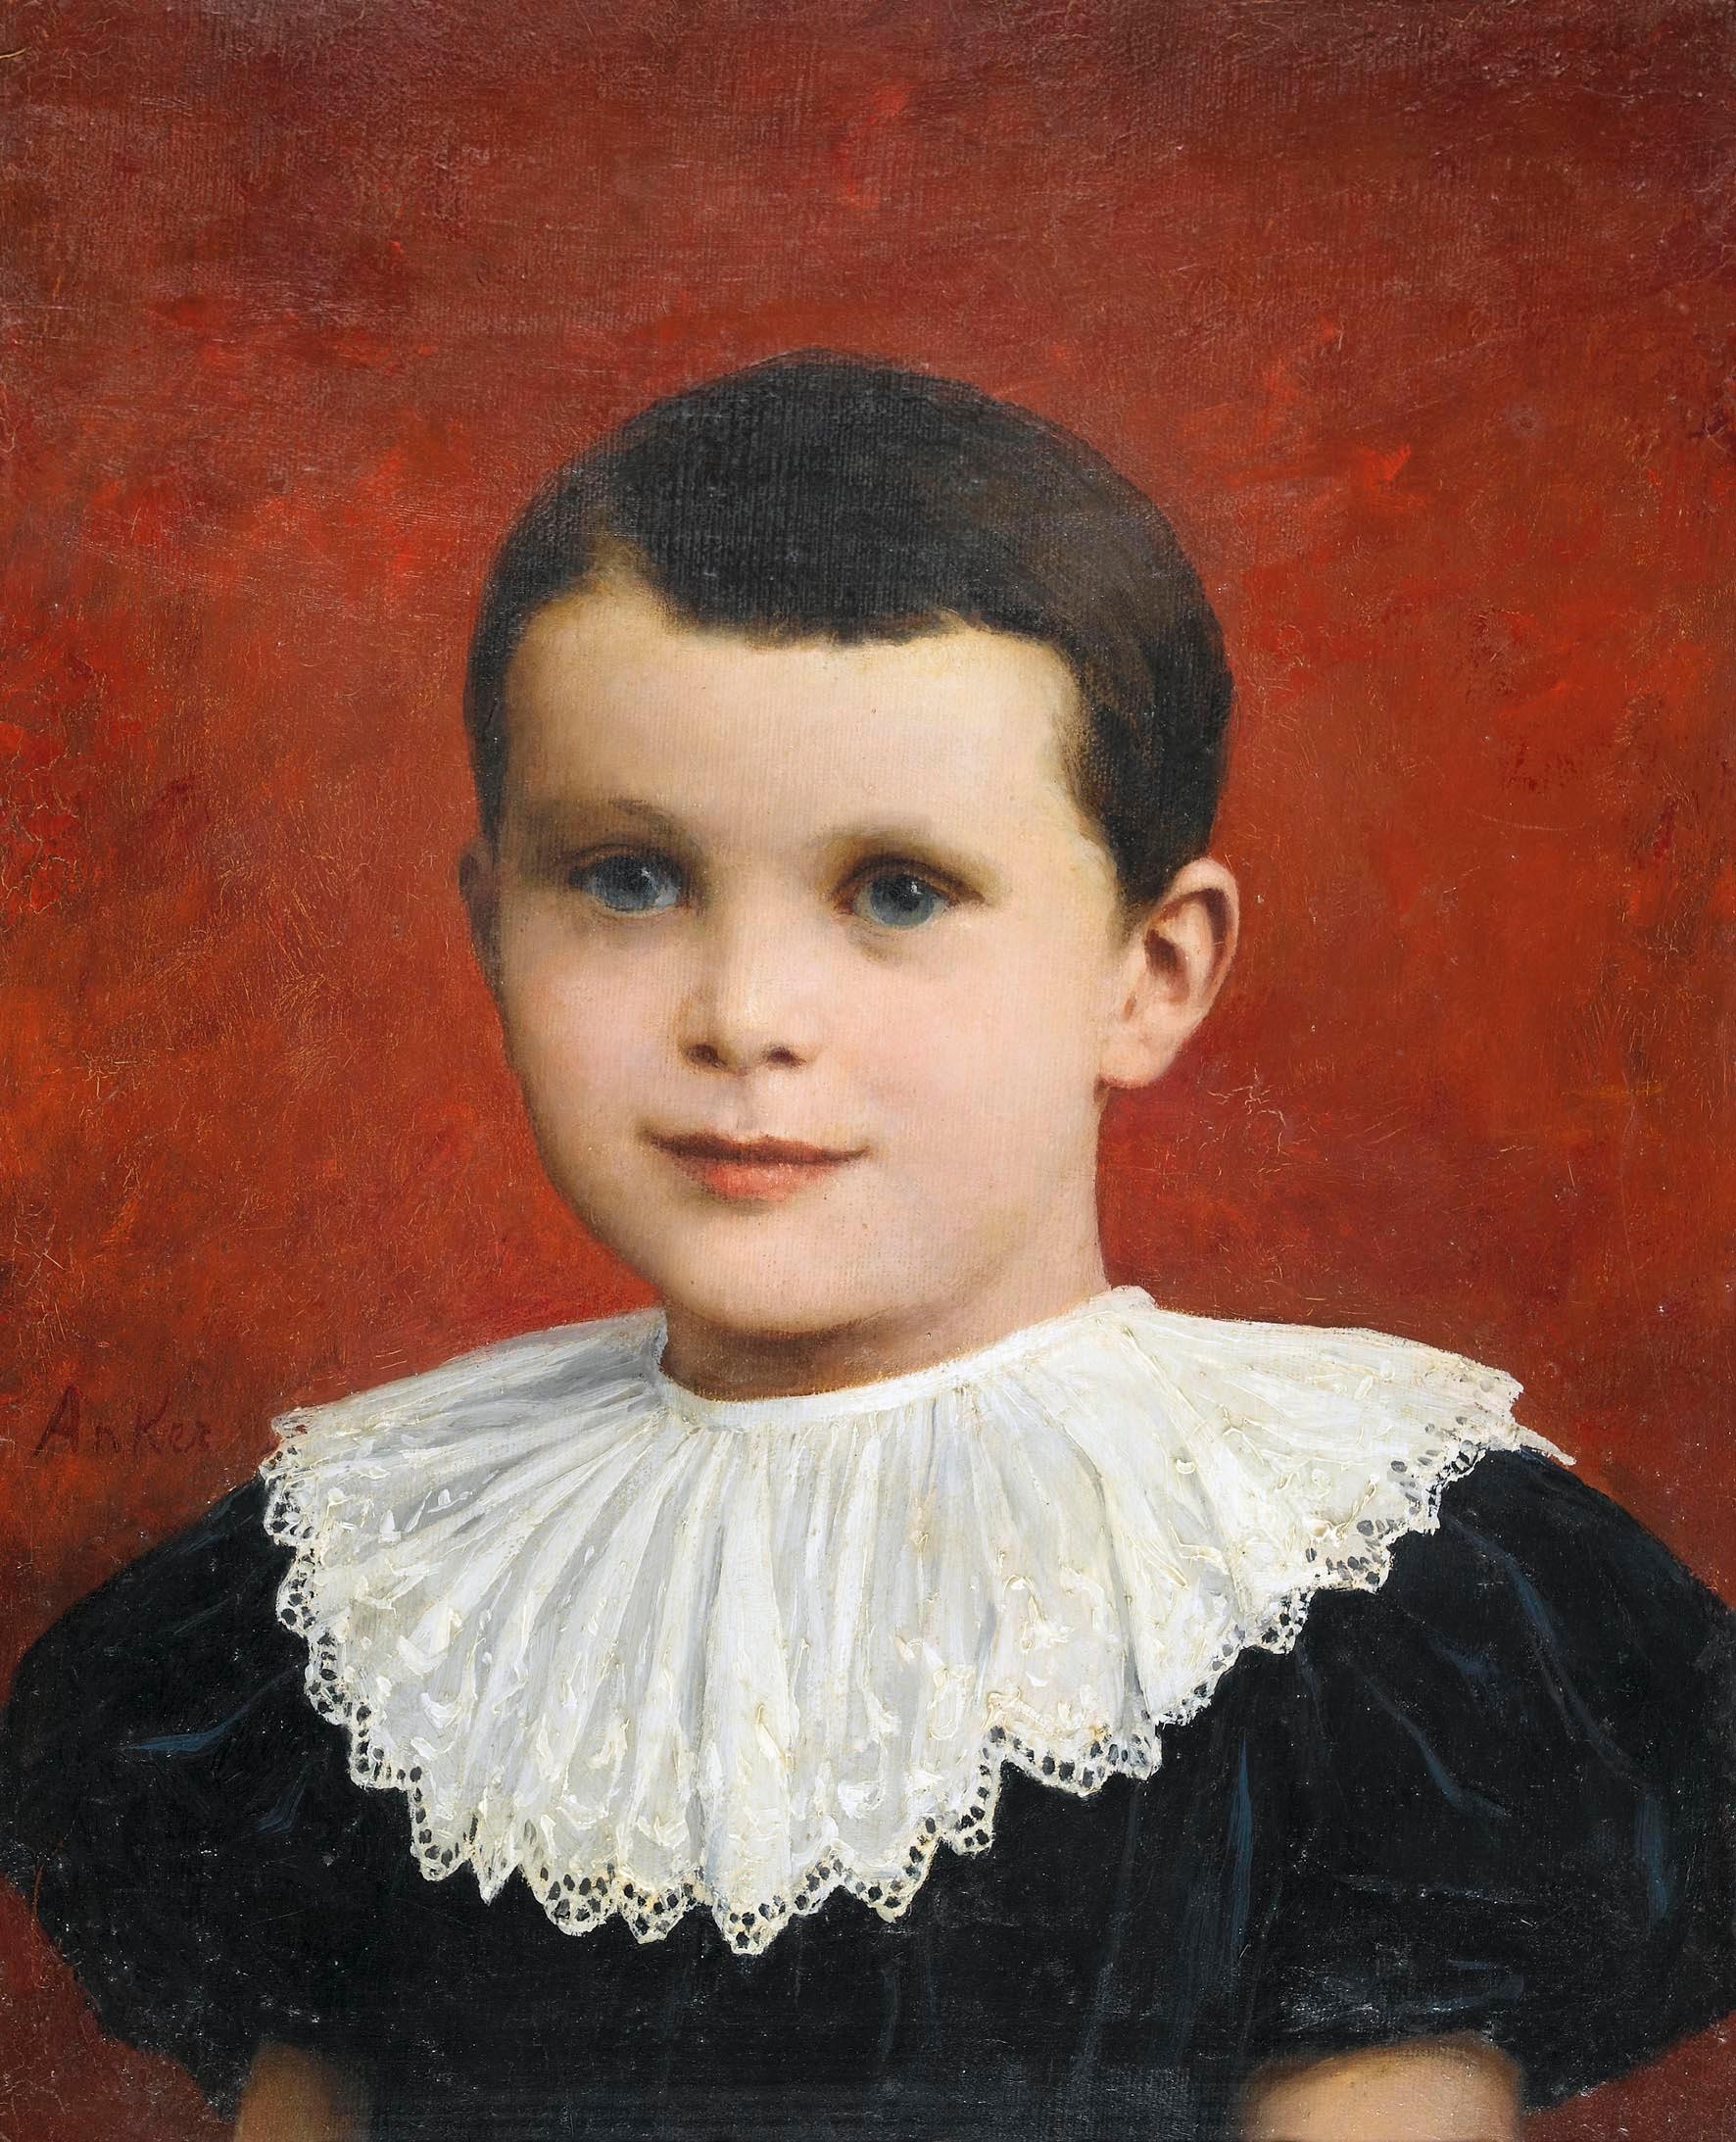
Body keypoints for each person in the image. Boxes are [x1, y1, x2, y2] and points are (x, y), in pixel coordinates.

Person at [1, 353, 1731, 2142]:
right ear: (489, 922)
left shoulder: (1364, 1599)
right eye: (628, 876)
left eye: (898, 890)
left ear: (1152, 973)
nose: (746, 1013)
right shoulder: (363, 1594)